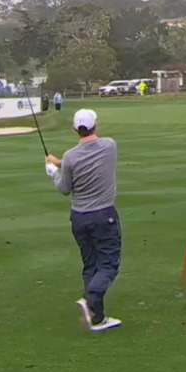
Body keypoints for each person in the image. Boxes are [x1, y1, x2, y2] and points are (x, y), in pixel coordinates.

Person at [47, 109, 123, 333]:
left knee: (91, 264)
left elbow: (64, 188)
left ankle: (96, 318)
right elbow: (88, 163)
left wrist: (54, 170)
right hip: (104, 216)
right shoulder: (110, 145)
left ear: (74, 129)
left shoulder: (70, 156)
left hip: (79, 218)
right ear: (95, 126)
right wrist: (58, 167)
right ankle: (91, 299)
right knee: (108, 264)